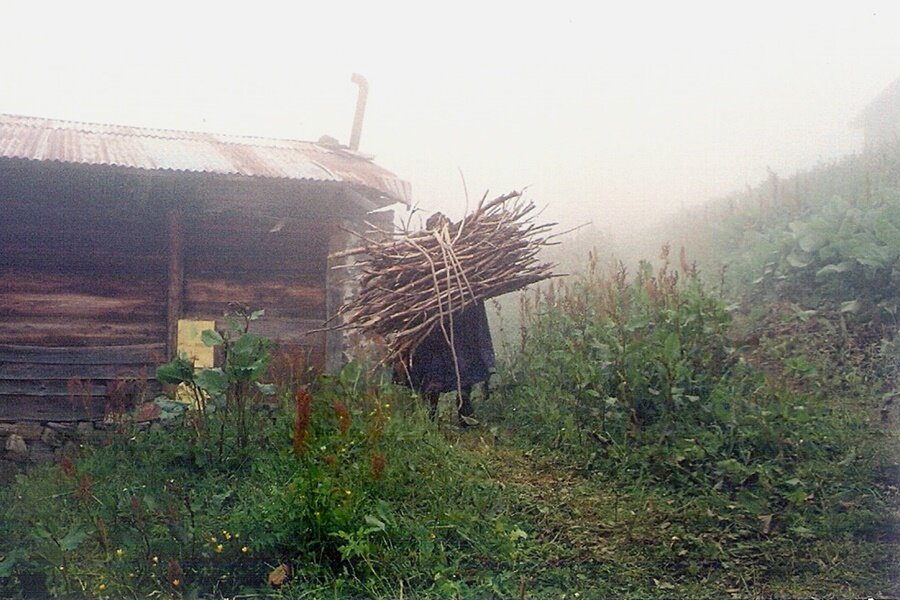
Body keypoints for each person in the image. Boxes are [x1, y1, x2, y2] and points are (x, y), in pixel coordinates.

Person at [396, 300, 495, 427]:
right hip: (447, 303)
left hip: (447, 303)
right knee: (459, 349)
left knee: (454, 349)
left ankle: (444, 407)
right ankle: (450, 405)